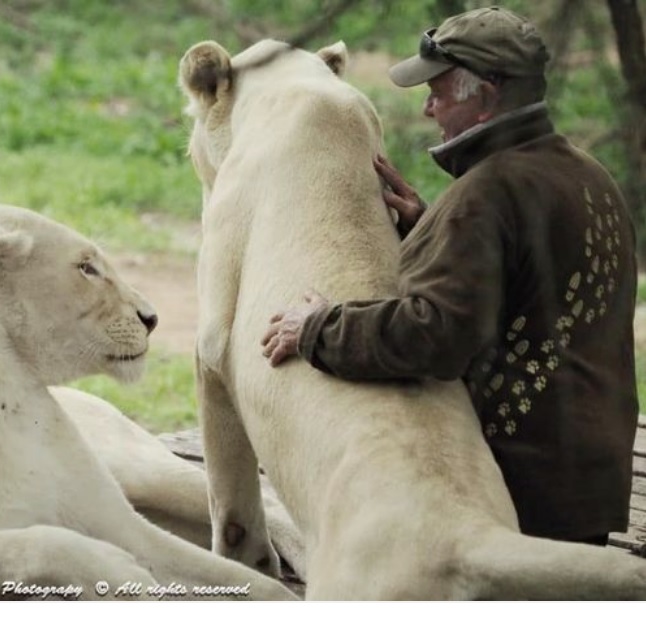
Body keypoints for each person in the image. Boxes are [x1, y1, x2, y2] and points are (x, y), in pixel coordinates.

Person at [261, 6, 639, 545]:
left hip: (516, 498)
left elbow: (431, 338)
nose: (426, 108)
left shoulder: (485, 197)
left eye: (438, 92)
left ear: (484, 96)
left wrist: (318, 328)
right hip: (592, 484)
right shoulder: (588, 174)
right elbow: (538, 279)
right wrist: (433, 228)